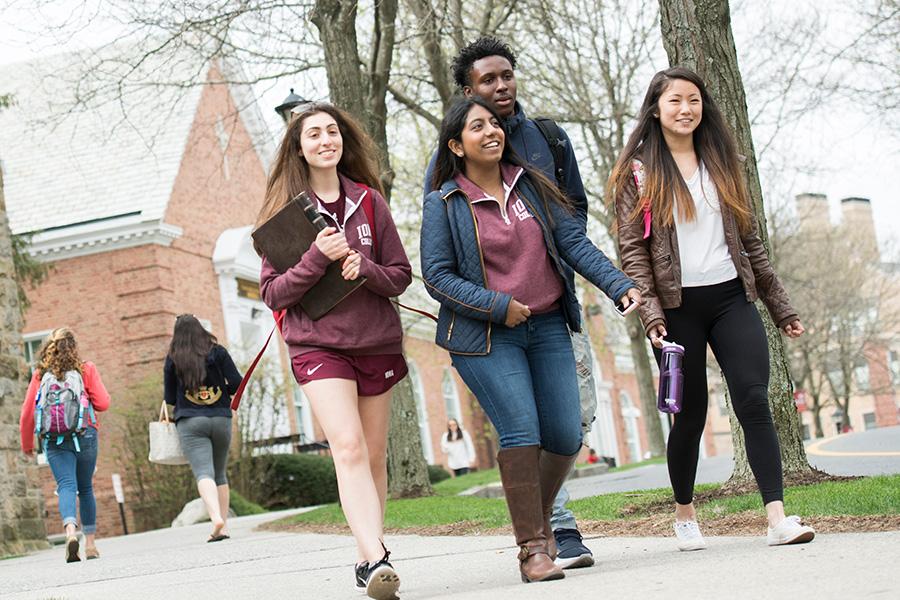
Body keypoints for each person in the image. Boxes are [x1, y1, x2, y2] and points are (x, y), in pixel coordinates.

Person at [421, 96, 641, 583]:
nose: (491, 131)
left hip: (546, 326)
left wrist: (619, 284)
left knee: (565, 434)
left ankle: (535, 521)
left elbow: (574, 242)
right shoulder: (445, 203)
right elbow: (435, 276)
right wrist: (499, 305)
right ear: (457, 145)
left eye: (495, 124)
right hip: (485, 338)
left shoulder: (532, 187)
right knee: (523, 429)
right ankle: (533, 549)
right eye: (477, 127)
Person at [610, 66, 816, 551]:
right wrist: (653, 317)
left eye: (694, 101)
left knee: (753, 399)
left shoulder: (723, 161)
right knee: (691, 413)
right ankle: (684, 514)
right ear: (656, 108)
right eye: (676, 101)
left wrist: (780, 306)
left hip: (731, 298)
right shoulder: (637, 173)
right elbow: (634, 255)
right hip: (678, 308)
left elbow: (750, 241)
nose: (686, 109)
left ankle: (777, 518)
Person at [257, 102, 412, 600]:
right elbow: (274, 294)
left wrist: (363, 267)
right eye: (314, 134)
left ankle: (368, 558)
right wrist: (314, 259)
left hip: (376, 341)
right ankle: (378, 557)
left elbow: (400, 277)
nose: (326, 140)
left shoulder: (369, 202)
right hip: (318, 345)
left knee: (373, 456)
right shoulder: (284, 216)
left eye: (332, 132)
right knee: (346, 447)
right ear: (298, 148)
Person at [19, 327, 110, 563]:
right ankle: (90, 544)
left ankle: (70, 531)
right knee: (86, 488)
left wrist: (27, 444)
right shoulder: (86, 368)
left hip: (53, 439)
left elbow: (28, 411)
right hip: (85, 433)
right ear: (73, 347)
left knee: (66, 485)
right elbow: (103, 403)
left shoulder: (40, 374)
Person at [164, 314, 242, 543]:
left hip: (190, 421)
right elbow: (237, 382)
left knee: (203, 473)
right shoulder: (218, 352)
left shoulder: (173, 358)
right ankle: (224, 526)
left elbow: (169, 397)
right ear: (201, 331)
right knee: (220, 474)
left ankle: (215, 517)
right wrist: (221, 394)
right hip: (220, 418)